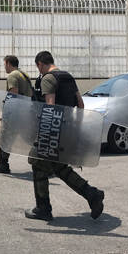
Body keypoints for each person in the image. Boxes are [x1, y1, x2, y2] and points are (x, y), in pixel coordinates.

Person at [25, 51, 105, 221]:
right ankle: (92, 194)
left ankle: (43, 208)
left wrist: (47, 133)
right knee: (59, 167)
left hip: (52, 130)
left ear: (40, 64)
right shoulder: (68, 77)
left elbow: (50, 107)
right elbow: (81, 104)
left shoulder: (47, 78)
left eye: (38, 67)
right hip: (68, 130)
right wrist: (77, 128)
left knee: (37, 163)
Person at [0, 54, 34, 174]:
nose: (4, 67)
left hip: (16, 113)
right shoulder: (24, 74)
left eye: (4, 64)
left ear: (9, 64)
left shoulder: (12, 76)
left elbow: (13, 95)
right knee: (30, 139)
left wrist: (7, 114)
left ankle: (3, 165)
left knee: (5, 138)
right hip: (26, 111)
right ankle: (48, 164)